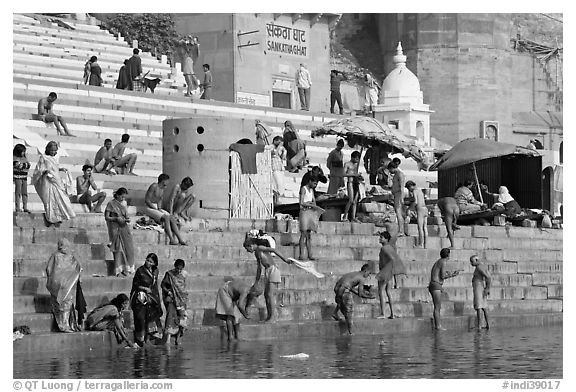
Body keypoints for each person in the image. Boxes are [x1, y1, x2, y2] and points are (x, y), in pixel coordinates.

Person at [243, 230, 294, 322]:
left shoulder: (260, 248)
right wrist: (257, 281)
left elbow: (274, 250)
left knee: (270, 295)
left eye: (247, 249)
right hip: (267, 271)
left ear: (250, 246)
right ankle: (269, 317)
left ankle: (273, 317)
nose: (248, 251)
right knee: (266, 295)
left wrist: (285, 260)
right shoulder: (256, 253)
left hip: (273, 269)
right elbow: (259, 267)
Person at [32, 141, 76, 227]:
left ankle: (58, 217)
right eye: (51, 150)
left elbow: (54, 167)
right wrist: (45, 171)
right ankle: (50, 218)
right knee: (49, 200)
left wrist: (61, 169)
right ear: (48, 149)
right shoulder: (43, 158)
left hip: (56, 180)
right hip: (47, 182)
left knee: (60, 198)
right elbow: (39, 170)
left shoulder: (54, 158)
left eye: (54, 150)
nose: (53, 152)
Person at [45, 238, 82, 333]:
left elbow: (48, 269)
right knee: (65, 304)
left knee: (62, 304)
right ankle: (64, 325)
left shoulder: (57, 255)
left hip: (60, 285)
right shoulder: (69, 256)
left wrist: (53, 280)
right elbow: (79, 268)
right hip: (66, 285)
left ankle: (64, 325)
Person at [130, 253, 163, 346]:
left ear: (154, 263)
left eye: (150, 261)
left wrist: (156, 298)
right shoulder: (140, 271)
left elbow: (155, 285)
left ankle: (148, 339)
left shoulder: (156, 271)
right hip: (140, 297)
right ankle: (141, 339)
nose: (148, 262)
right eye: (147, 260)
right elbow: (135, 284)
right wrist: (144, 289)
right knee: (140, 317)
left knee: (151, 317)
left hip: (152, 297)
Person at [145, 174, 187, 245]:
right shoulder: (154, 186)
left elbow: (160, 200)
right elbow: (147, 200)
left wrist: (159, 209)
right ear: (164, 181)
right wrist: (155, 209)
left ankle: (180, 239)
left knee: (172, 218)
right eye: (167, 181)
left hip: (157, 208)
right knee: (166, 217)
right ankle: (171, 239)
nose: (168, 182)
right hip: (149, 207)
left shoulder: (162, 189)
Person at [332, 264, 373, 335]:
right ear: (365, 271)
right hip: (344, 291)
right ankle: (350, 332)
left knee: (343, 304)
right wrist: (370, 297)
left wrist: (363, 293)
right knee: (349, 310)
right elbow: (360, 294)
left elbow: (350, 287)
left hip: (337, 288)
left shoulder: (354, 274)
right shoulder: (362, 278)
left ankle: (335, 313)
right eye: (369, 273)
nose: (368, 276)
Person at [104, 187, 135, 277]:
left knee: (128, 248)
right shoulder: (111, 204)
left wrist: (126, 219)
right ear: (117, 195)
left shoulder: (124, 204)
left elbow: (126, 216)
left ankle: (127, 269)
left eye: (124, 197)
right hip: (114, 228)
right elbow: (107, 217)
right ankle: (118, 270)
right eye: (121, 197)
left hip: (124, 228)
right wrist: (116, 219)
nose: (123, 199)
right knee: (118, 249)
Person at [376, 231, 406, 319]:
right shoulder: (390, 247)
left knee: (381, 292)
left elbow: (393, 259)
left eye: (381, 237)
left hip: (385, 272)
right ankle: (392, 313)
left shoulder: (384, 248)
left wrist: (386, 269)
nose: (380, 239)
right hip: (389, 272)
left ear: (386, 239)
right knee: (388, 292)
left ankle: (383, 313)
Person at [429, 248, 461, 330]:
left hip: (434, 285)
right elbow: (442, 276)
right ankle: (438, 326)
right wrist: (453, 275)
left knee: (437, 307)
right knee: (437, 307)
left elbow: (440, 273)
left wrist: (450, 273)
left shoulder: (439, 261)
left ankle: (437, 325)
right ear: (448, 255)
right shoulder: (443, 262)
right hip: (436, 285)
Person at [161, 259, 188, 345]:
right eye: (177, 269)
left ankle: (178, 337)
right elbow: (163, 285)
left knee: (182, 317)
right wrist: (168, 292)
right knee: (170, 316)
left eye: (180, 269)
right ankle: (168, 339)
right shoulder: (169, 274)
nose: (179, 271)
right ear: (174, 267)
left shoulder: (183, 275)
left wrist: (183, 297)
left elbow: (183, 288)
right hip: (171, 298)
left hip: (181, 300)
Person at [299, 175, 324, 260]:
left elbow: (314, 202)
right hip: (304, 212)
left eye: (316, 184)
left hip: (310, 213)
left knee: (309, 235)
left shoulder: (312, 190)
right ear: (309, 181)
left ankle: (310, 254)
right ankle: (301, 254)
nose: (315, 185)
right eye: (314, 183)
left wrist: (313, 205)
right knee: (303, 234)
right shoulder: (304, 189)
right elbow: (301, 202)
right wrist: (309, 203)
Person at [469, 255, 491, 330]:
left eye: (472, 261)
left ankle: (479, 326)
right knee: (484, 307)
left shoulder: (479, 267)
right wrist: (487, 288)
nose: (471, 263)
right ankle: (487, 324)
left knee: (479, 307)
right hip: (480, 286)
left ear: (476, 260)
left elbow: (488, 277)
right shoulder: (481, 266)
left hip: (479, 287)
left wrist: (487, 288)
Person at [405, 180, 428, 248]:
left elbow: (416, 202)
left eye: (408, 188)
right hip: (425, 209)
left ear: (411, 186)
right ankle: (425, 245)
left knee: (420, 228)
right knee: (425, 227)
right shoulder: (420, 190)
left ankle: (420, 244)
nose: (409, 190)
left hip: (420, 209)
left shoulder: (415, 191)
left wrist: (409, 209)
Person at [342, 151, 363, 222]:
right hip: (350, 183)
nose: (357, 160)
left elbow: (356, 174)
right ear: (353, 157)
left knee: (355, 201)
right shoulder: (347, 164)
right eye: (356, 159)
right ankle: (345, 216)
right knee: (350, 200)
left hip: (356, 183)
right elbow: (343, 174)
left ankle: (353, 217)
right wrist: (353, 175)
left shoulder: (356, 165)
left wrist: (359, 176)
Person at [389, 161, 407, 236]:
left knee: (399, 213)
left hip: (399, 194)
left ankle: (401, 231)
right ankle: (401, 230)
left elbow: (402, 187)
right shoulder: (396, 174)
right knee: (398, 213)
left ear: (392, 168)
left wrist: (401, 198)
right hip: (396, 194)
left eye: (390, 169)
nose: (390, 171)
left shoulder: (400, 174)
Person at [13, 144, 31, 213]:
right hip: (18, 177)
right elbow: (18, 165)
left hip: (24, 177)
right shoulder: (14, 158)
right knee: (18, 193)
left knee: (25, 192)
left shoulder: (24, 158)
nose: (23, 153)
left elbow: (28, 165)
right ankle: (17, 208)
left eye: (24, 152)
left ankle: (25, 207)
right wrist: (24, 165)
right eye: (22, 151)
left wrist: (24, 165)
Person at [271, 136, 286, 203]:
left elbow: (283, 157)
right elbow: (274, 153)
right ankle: (276, 199)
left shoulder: (282, 148)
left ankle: (279, 197)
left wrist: (283, 152)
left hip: (280, 167)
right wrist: (278, 147)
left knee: (281, 183)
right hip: (274, 167)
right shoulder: (271, 147)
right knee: (277, 183)